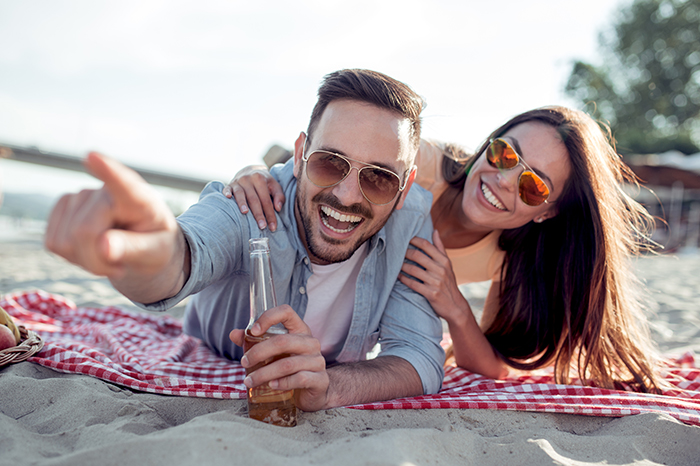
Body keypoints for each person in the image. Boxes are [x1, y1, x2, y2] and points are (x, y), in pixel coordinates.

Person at [44, 69, 446, 412]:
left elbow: (420, 357)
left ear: (405, 185)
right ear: (302, 151)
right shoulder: (253, 201)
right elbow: (183, 256)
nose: (347, 195)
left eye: (379, 177)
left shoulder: (408, 222)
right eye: (330, 162)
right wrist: (144, 250)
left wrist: (330, 387)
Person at [224, 105, 663, 393]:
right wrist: (251, 170)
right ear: (488, 144)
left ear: (548, 212)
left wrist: (454, 305)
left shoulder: (507, 257)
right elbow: (311, 162)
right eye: (505, 154)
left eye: (533, 185)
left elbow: (491, 367)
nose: (503, 180)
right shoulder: (424, 165)